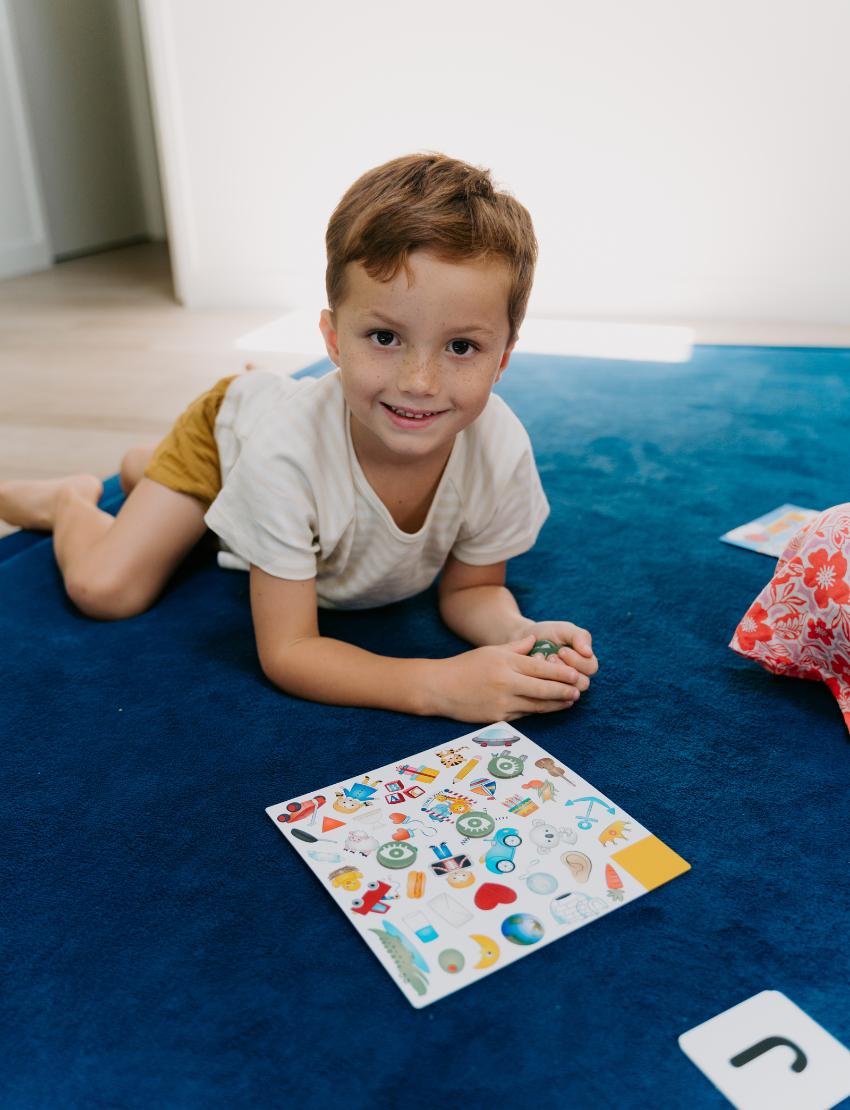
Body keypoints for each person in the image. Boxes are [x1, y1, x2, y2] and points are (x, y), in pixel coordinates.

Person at [0, 153, 598, 722]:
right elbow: (287, 652)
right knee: (105, 589)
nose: (420, 383)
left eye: (461, 347)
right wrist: (436, 685)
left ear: (503, 360)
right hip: (228, 436)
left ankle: (153, 477)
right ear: (333, 339)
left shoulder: (500, 447)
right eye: (385, 337)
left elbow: (471, 591)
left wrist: (521, 634)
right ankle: (72, 498)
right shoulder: (285, 453)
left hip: (266, 466)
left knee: (209, 525)